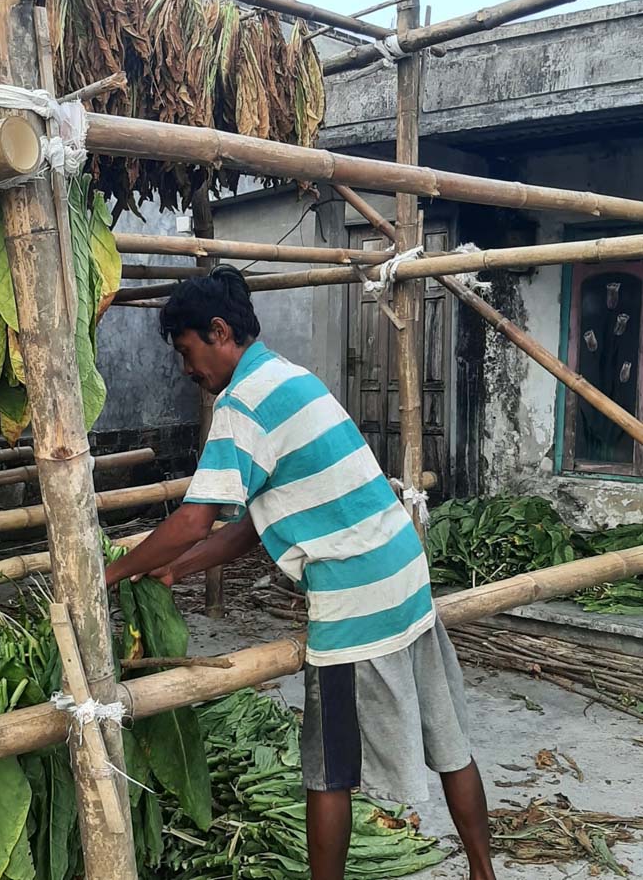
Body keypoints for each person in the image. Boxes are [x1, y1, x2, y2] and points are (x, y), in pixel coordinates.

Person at [104, 264, 497, 880]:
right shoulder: (291, 378)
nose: (188, 372)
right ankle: (482, 871)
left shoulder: (241, 403)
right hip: (403, 571)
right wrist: (175, 573)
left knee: (327, 769)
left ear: (218, 330)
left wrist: (111, 572)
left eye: (187, 353)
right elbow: (247, 529)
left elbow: (194, 520)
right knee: (447, 739)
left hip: (353, 595)